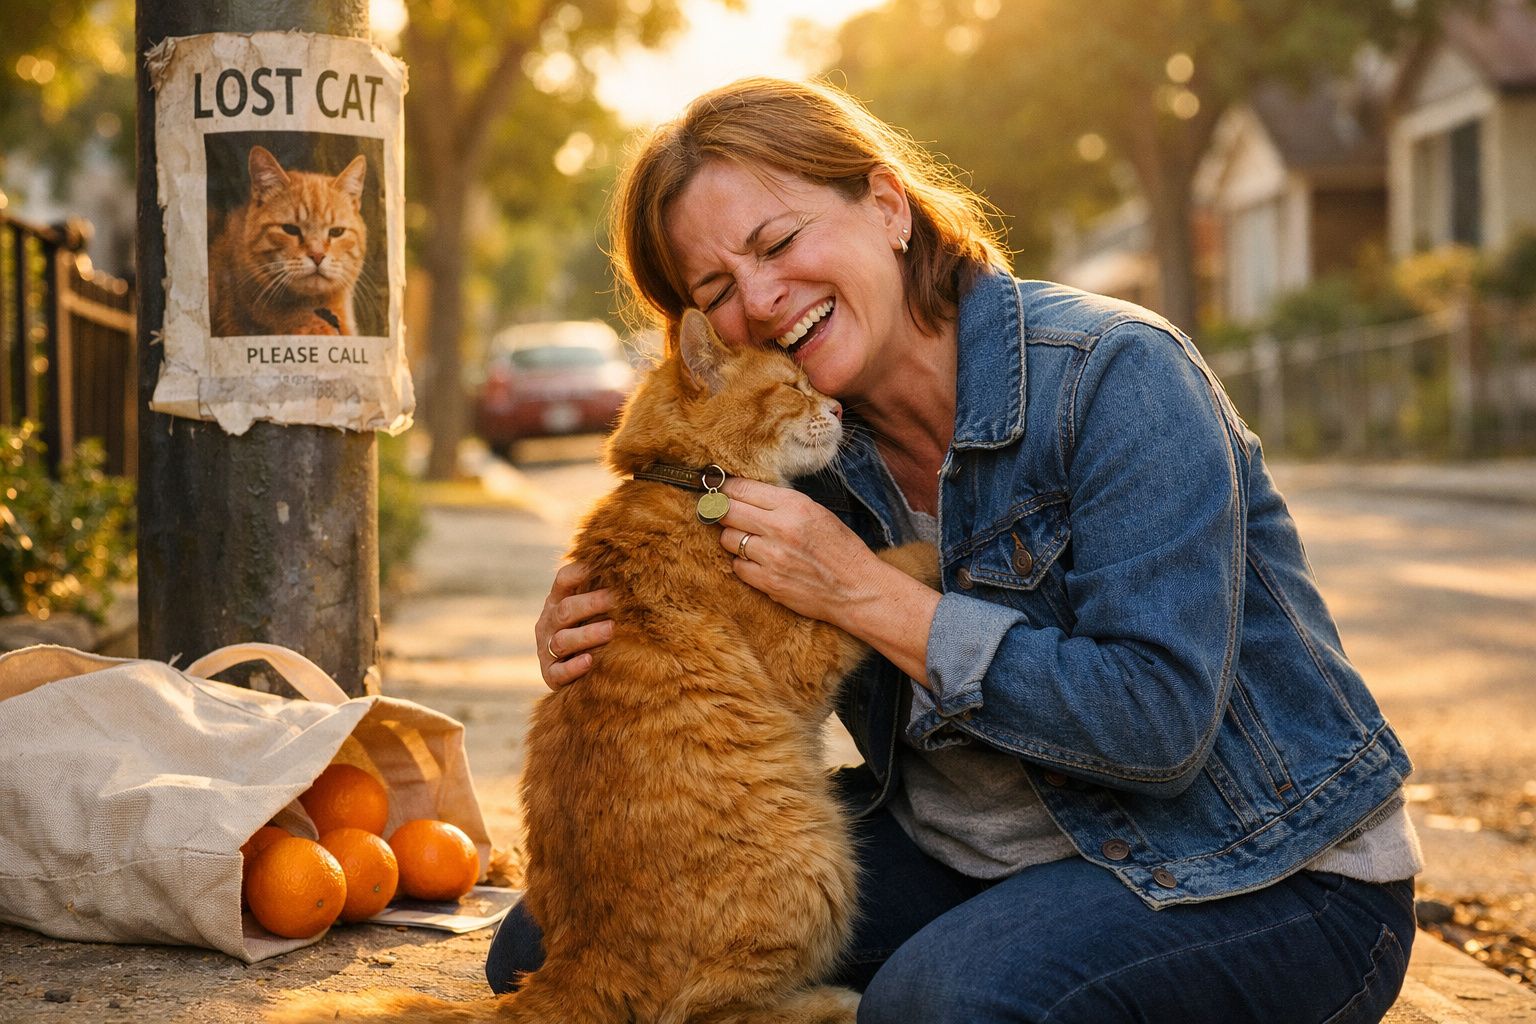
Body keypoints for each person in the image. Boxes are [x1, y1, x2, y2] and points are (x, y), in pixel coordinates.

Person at [496, 76, 1423, 1023]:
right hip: (978, 854)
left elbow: (1158, 726)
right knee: (559, 955)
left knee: (934, 1005)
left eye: (777, 243)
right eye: (718, 290)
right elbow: (740, 668)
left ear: (887, 207)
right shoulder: (804, 445)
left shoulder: (1117, 374)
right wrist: (618, 637)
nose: (764, 300)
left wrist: (864, 594)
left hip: (1249, 863)